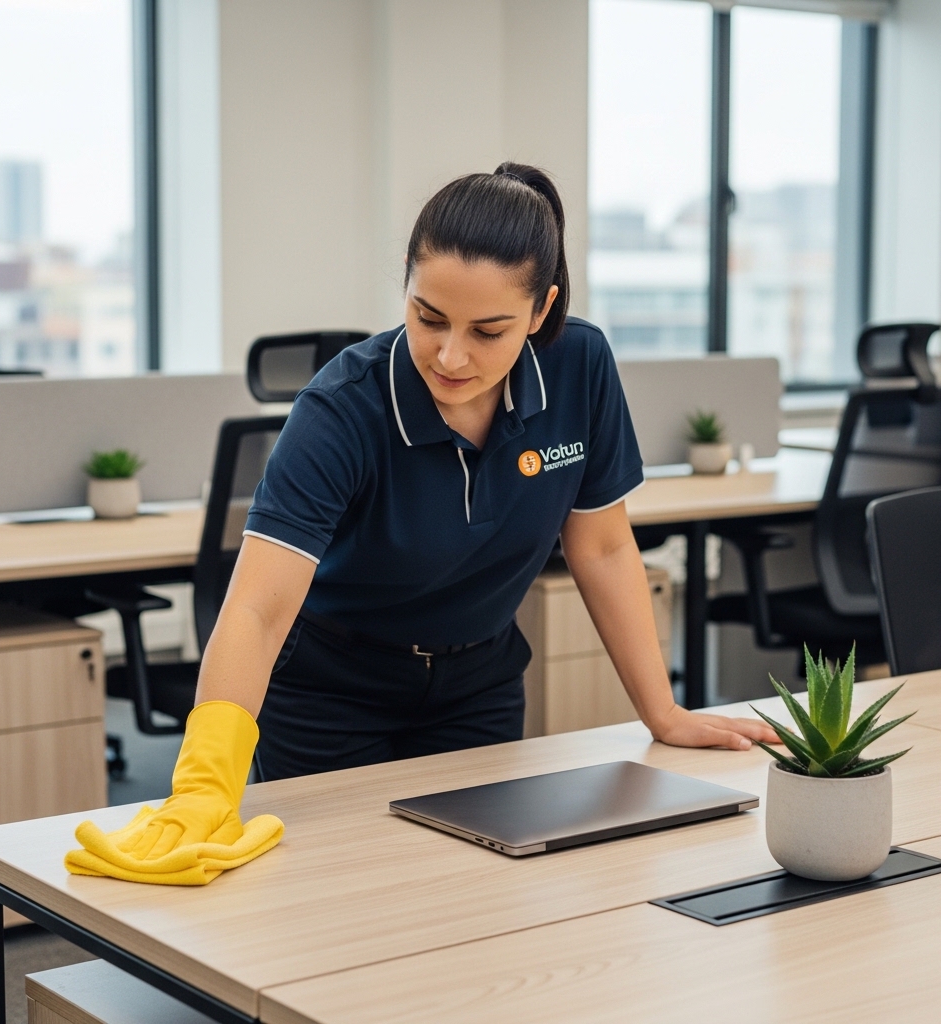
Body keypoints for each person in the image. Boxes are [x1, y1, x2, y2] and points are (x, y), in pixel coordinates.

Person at [67, 163, 777, 884]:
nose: (450, 355)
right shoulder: (342, 409)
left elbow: (600, 546)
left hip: (478, 682)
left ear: (541, 312)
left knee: (474, 897)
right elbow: (256, 606)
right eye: (428, 317)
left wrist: (662, 712)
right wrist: (201, 788)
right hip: (332, 690)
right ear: (405, 285)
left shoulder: (579, 365)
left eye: (488, 330)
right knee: (334, 903)